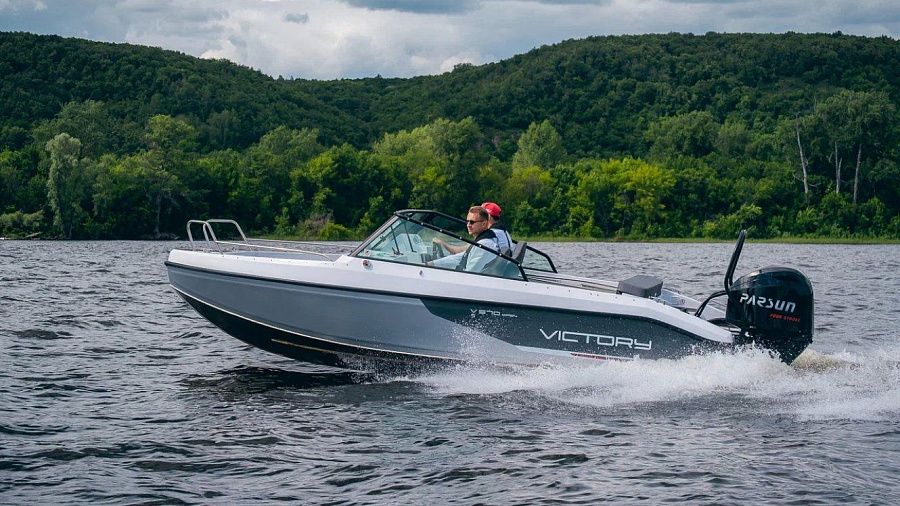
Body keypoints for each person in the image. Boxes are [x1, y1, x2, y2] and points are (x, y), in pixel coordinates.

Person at [431, 206, 499, 272]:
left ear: (484, 224)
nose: (468, 225)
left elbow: (470, 272)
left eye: (472, 222)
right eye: (467, 221)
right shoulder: (482, 241)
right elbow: (460, 257)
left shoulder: (484, 245)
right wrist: (433, 263)